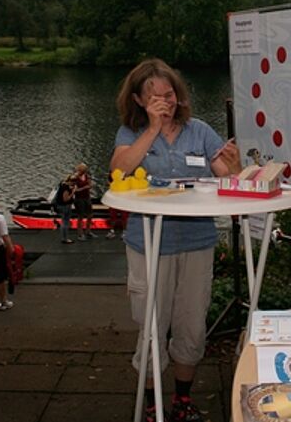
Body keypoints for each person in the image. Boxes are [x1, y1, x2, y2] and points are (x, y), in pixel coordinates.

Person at [110, 58, 241, 422]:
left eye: (169, 95)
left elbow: (226, 175)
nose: (165, 103)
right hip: (148, 243)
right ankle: (152, 404)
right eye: (154, 98)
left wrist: (233, 166)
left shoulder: (199, 130)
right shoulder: (130, 133)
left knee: (191, 324)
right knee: (151, 323)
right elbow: (119, 170)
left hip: (197, 241)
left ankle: (182, 400)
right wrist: (151, 129)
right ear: (138, 99)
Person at [71, 163, 94, 240]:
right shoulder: (75, 178)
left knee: (90, 215)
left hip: (87, 197)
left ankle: (88, 231)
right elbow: (74, 190)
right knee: (80, 216)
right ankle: (80, 234)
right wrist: (84, 188)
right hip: (79, 198)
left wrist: (89, 185)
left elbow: (90, 184)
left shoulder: (87, 176)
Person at [54, 175, 75, 244]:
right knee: (65, 222)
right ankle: (65, 238)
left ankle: (64, 238)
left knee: (64, 221)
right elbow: (65, 199)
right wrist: (72, 192)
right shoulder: (66, 188)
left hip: (61, 205)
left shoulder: (62, 185)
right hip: (65, 206)